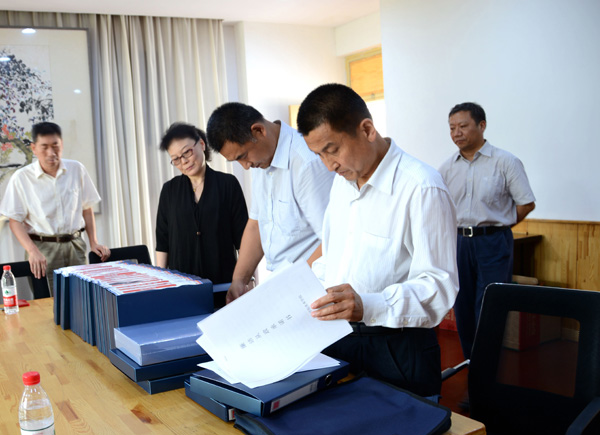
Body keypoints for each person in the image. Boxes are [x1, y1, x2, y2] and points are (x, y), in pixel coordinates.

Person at [296, 84, 458, 398]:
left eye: (332, 149)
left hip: (398, 347)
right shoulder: (341, 184)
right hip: (340, 338)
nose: (329, 165)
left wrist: (368, 305)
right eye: (319, 155)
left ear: (367, 130)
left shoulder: (421, 187)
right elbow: (333, 257)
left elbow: (439, 287)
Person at [206, 103, 334, 304]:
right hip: (282, 286)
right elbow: (257, 224)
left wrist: (293, 286)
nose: (245, 166)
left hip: (312, 288)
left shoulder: (306, 162)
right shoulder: (261, 161)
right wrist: (239, 280)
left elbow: (332, 238)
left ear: (258, 131)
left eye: (243, 156)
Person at [438, 102, 536, 360]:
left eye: (463, 126)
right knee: (462, 305)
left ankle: (488, 368)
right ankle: (471, 364)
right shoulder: (446, 169)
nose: (456, 133)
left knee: (490, 305)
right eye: (452, 128)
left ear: (481, 126)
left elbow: (526, 203)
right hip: (458, 243)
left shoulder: (506, 162)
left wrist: (499, 226)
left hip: (493, 242)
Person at [0, 121, 110, 293]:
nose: (51, 153)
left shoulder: (76, 169)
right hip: (42, 249)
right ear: (34, 148)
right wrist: (32, 251)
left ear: (62, 145)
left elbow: (86, 208)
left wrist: (93, 241)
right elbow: (15, 221)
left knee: (81, 296)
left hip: (75, 246)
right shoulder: (22, 178)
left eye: (55, 146)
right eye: (44, 147)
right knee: (48, 300)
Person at [156, 122, 248, 308]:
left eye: (187, 152)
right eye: (176, 159)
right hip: (182, 289)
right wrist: (161, 287)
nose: (184, 161)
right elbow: (163, 242)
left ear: (202, 144)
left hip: (225, 288)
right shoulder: (169, 191)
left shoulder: (228, 184)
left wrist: (247, 281)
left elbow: (244, 241)